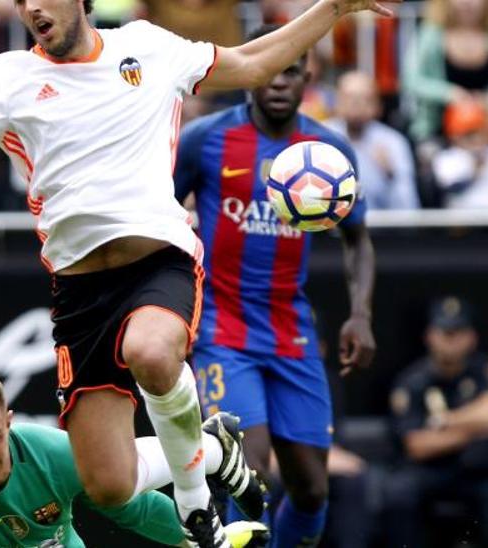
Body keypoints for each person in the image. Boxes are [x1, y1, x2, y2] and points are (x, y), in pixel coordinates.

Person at [0, 0, 395, 544]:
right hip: (81, 295)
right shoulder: (7, 78)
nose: (31, 6)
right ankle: (217, 450)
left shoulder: (147, 48)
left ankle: (197, 504)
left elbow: (252, 64)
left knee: (151, 351)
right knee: (108, 486)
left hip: (159, 262)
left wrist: (332, 9)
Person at [174, 24, 377, 547]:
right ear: (250, 73)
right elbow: (161, 212)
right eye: (271, 70)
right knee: (250, 477)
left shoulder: (329, 152)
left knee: (311, 490)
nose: (281, 82)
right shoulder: (206, 140)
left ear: (308, 75)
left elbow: (357, 239)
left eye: (293, 71)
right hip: (222, 330)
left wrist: (361, 314)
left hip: (292, 333)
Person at [0, 356, 270, 547]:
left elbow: (134, 509)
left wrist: (209, 541)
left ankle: (212, 451)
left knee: (117, 480)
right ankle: (213, 450)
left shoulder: (52, 455)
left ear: (9, 423)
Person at [383, 296, 488, 548]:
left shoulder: (486, 370)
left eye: (458, 332)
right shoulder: (411, 380)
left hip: (474, 466)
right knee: (398, 493)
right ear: (429, 336)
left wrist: (442, 422)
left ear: (472, 337)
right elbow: (417, 446)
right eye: (444, 332)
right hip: (428, 468)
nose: (451, 340)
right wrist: (477, 432)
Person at [402, 0, 488, 146]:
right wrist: (450, 94)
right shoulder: (431, 32)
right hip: (437, 129)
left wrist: (487, 98)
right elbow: (411, 80)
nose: (468, 3)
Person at [326, 70, 419, 210]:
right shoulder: (319, 138)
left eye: (365, 98)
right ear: (336, 102)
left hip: (380, 228)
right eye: (349, 97)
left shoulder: (393, 143)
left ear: (378, 106)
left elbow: (408, 208)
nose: (356, 104)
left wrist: (390, 175)